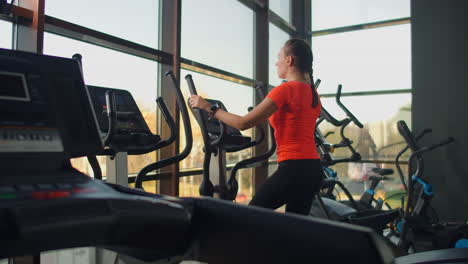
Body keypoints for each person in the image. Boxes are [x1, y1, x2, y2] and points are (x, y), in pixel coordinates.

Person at [189, 38, 324, 215]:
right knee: (295, 229)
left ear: (289, 60)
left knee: (251, 216)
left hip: (293, 169)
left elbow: (243, 123)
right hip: (313, 169)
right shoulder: (313, 94)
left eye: (279, 57)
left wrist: (208, 107)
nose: (276, 62)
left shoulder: (285, 90)